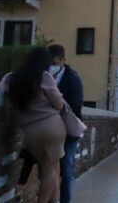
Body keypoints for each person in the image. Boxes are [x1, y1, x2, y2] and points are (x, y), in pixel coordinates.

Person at [0, 47, 66, 203]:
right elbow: (59, 104)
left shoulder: (10, 78)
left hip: (29, 131)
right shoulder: (44, 77)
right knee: (51, 171)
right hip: (52, 128)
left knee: (53, 169)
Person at [48, 44, 83, 203]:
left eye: (55, 63)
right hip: (50, 132)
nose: (52, 66)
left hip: (68, 132)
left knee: (67, 170)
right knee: (49, 170)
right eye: (50, 63)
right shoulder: (44, 76)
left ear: (63, 60)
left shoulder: (73, 78)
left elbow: (76, 105)